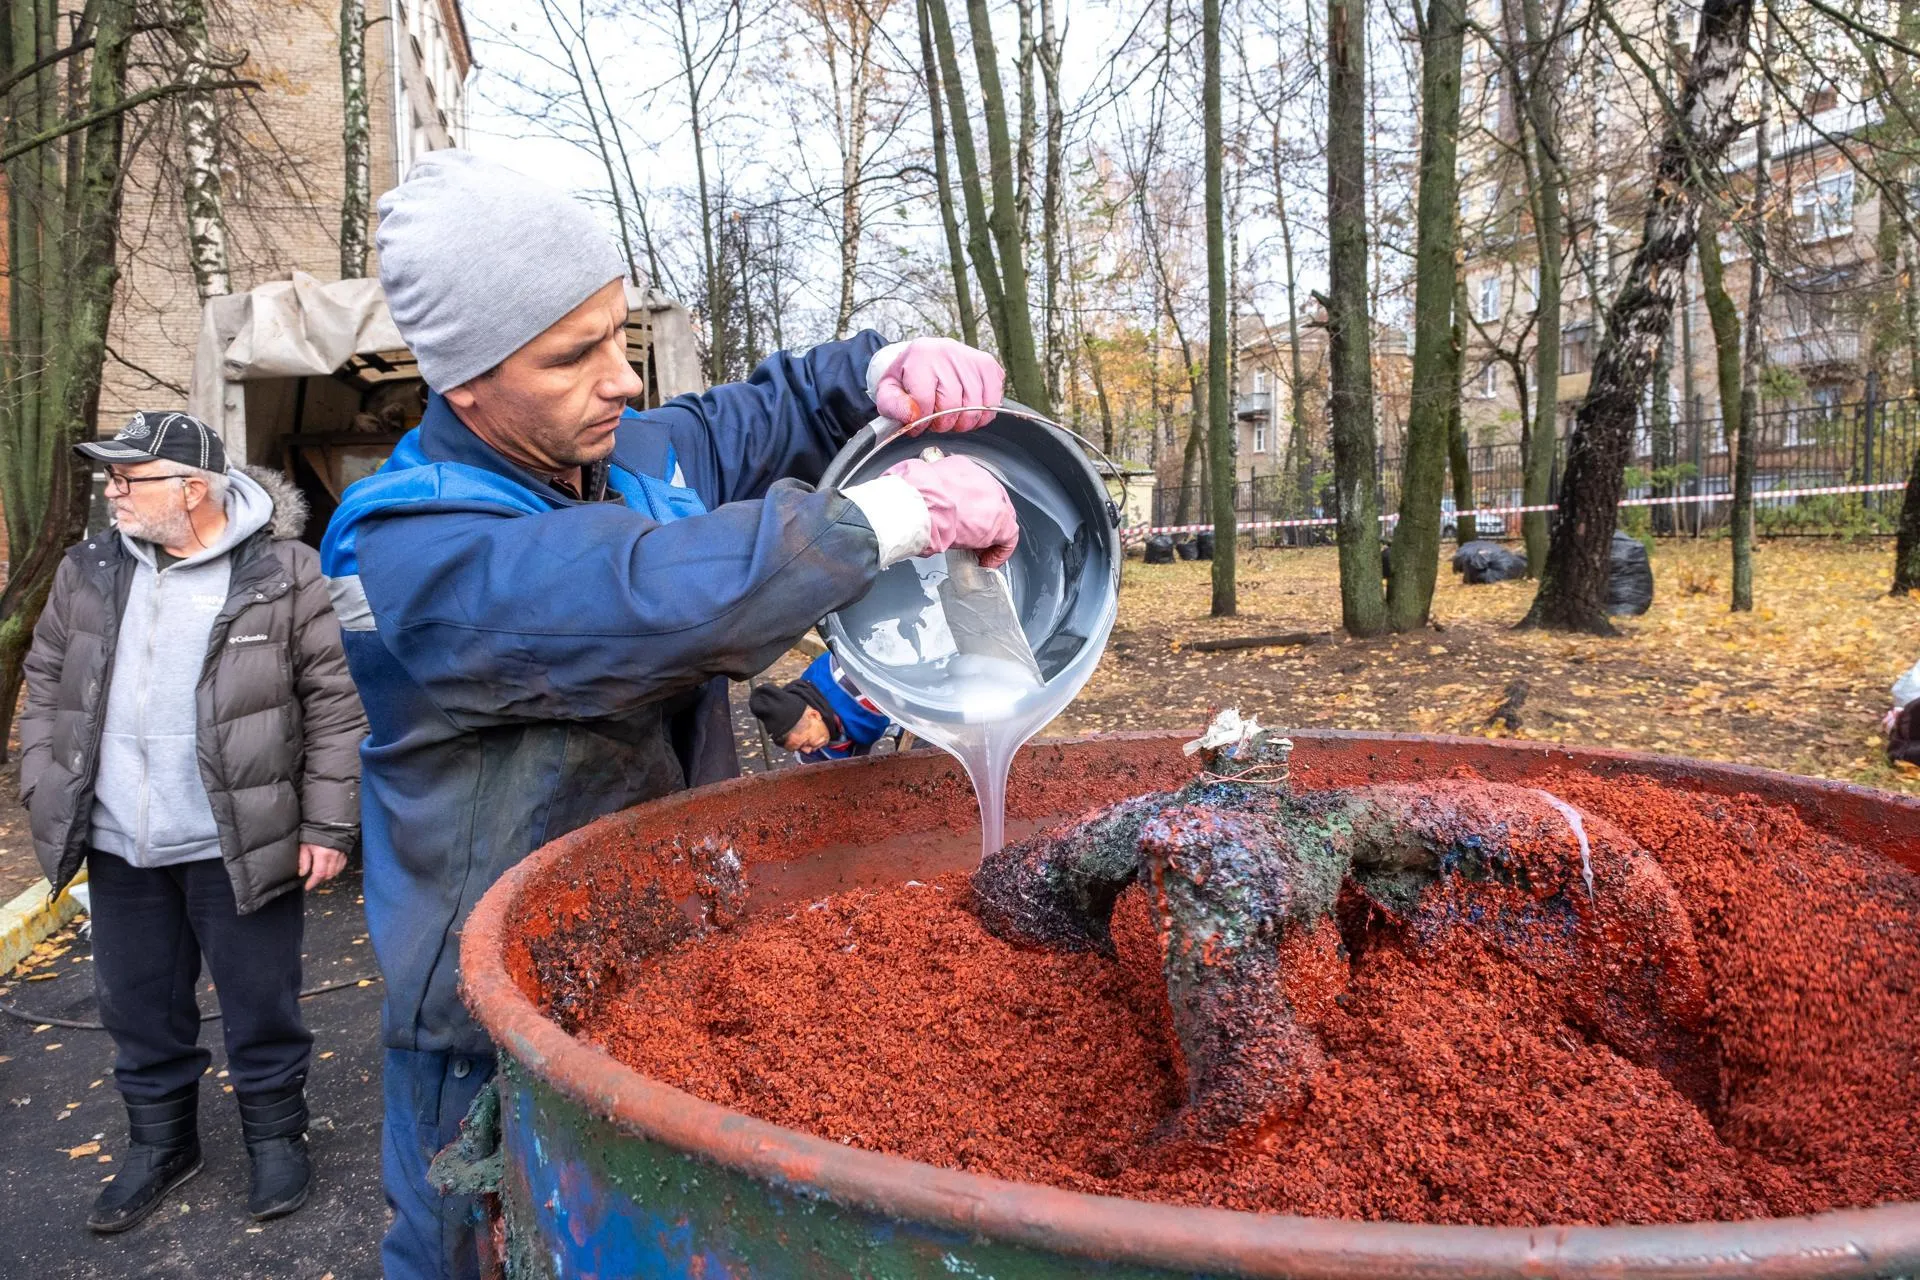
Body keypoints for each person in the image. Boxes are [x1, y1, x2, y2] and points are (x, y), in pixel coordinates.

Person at [317, 150, 1022, 1280]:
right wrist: (878, 521)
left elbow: (754, 417)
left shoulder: (629, 453)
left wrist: (874, 369)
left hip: (654, 941)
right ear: (466, 385)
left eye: (617, 333)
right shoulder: (405, 544)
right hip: (487, 1005)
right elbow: (635, 596)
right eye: (571, 354)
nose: (621, 379)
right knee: (470, 1244)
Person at [19, 412, 366, 1233]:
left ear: (192, 487)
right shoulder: (88, 571)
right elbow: (45, 681)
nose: (113, 494)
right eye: (111, 479)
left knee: (261, 1002)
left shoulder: (283, 571)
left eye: (128, 478)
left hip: (237, 837)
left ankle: (277, 1138)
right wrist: (44, 783)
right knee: (137, 1007)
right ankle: (160, 1146)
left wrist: (327, 826)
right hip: (119, 842)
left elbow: (332, 706)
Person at [749, 652, 893, 761]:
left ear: (814, 715)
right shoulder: (806, 732)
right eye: (799, 748)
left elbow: (910, 718)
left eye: (805, 743)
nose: (806, 751)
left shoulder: (855, 685)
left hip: (893, 702)